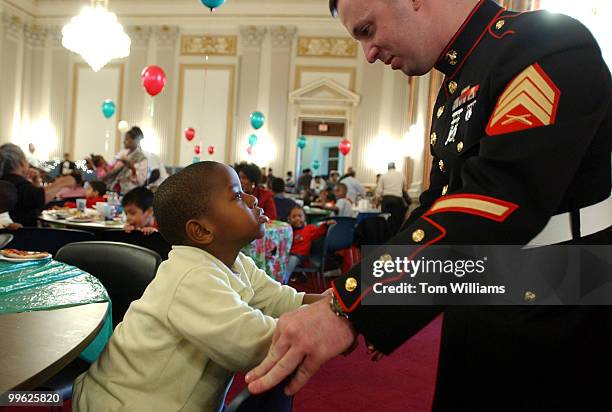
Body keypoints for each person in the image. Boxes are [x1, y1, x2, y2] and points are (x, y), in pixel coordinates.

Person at [245, 0, 612, 410]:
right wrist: (390, 308)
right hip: (480, 287)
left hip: (561, 302)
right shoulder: (456, 81)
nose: (368, 53)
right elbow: (436, 207)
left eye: (367, 30)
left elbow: (494, 204)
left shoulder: (547, 44)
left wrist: (350, 308)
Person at [72, 161, 325, 411]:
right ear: (201, 230)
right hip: (118, 403)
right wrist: (338, 314)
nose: (252, 199)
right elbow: (254, 344)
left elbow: (284, 300)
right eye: (237, 195)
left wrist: (342, 302)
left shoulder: (237, 262)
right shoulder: (190, 277)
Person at [0, 143, 75, 226]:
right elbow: (39, 197)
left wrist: (36, 183)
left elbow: (36, 204)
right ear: (21, 163)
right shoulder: (17, 184)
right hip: (23, 235)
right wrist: (64, 182)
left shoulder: (5, 181)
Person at [284, 206, 335, 284]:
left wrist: (326, 225)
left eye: (300, 216)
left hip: (302, 256)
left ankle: (284, 280)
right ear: (289, 219)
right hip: (290, 255)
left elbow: (319, 231)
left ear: (304, 218)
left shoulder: (309, 229)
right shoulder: (288, 230)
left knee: (292, 259)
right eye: (294, 217)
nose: (297, 218)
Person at [105, 126, 148, 194]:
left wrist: (132, 168)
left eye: (127, 139)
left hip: (130, 191)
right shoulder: (123, 153)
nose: (124, 142)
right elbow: (112, 168)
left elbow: (141, 181)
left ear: (135, 140)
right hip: (116, 188)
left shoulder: (141, 158)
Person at [375, 162, 407, 234]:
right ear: (394, 167)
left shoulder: (383, 176)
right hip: (398, 200)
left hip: (386, 200)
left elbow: (379, 191)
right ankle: (395, 237)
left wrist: (377, 202)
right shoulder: (401, 175)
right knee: (397, 221)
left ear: (388, 168)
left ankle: (386, 236)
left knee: (385, 219)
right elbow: (404, 189)